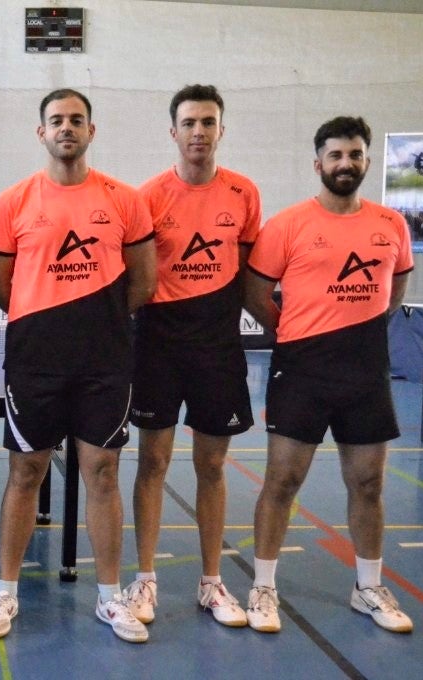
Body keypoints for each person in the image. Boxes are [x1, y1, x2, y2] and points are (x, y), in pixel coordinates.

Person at [0, 89, 156, 643]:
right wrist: (42, 316)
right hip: (35, 362)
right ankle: (5, 593)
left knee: (102, 474)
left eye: (76, 120)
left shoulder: (124, 199)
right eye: (56, 120)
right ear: (41, 132)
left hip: (105, 363)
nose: (66, 128)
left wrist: (95, 320)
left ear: (91, 130)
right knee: (25, 472)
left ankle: (109, 597)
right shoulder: (13, 201)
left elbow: (144, 282)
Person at [243, 116, 414, 634]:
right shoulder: (289, 224)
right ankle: (263, 587)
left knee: (368, 482)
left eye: (355, 154)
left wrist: (359, 326)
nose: (346, 163)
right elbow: (255, 292)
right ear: (318, 163)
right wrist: (296, 332)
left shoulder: (391, 224)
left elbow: (397, 285)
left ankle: (367, 586)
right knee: (283, 481)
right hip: (302, 369)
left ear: (366, 161)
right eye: (336, 155)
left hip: (365, 371)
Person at [123, 85, 260, 628]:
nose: (198, 131)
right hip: (157, 343)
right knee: (152, 462)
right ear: (173, 131)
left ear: (220, 129)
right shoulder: (147, 196)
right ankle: (145, 580)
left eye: (208, 122)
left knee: (211, 465)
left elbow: (248, 274)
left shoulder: (244, 193)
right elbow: (133, 274)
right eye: (189, 122)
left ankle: (211, 582)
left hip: (217, 346)